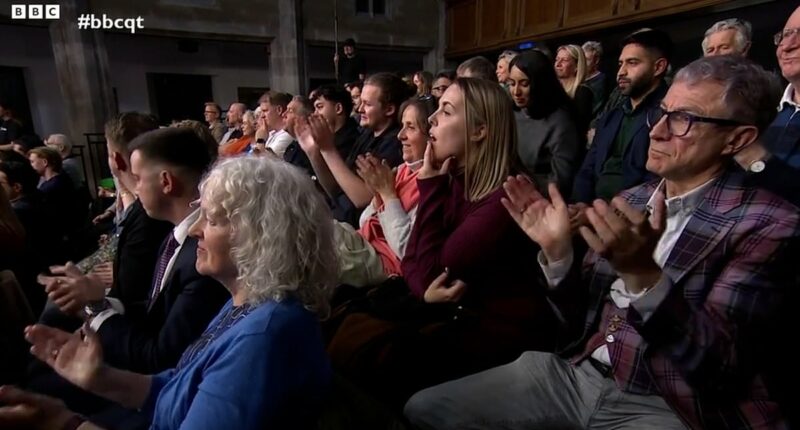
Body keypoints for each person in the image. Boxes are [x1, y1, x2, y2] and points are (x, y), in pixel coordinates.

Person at [405, 55, 797, 430]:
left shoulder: (770, 224)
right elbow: (577, 323)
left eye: (684, 120)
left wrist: (644, 279)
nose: (656, 130)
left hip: (668, 403)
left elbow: (720, 369)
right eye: (662, 112)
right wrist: (558, 254)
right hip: (577, 376)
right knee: (422, 409)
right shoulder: (632, 200)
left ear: (736, 139)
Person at [0, 156, 336, 430]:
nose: (194, 229)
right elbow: (178, 388)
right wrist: (100, 377)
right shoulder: (249, 302)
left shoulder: (265, 336)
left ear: (262, 236)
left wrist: (65, 424)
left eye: (213, 219)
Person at [334, 97, 435, 286]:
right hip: (362, 243)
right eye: (402, 125)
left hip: (383, 263)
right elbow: (364, 221)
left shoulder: (433, 182)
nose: (400, 135)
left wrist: (387, 194)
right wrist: (378, 194)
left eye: (411, 127)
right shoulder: (403, 169)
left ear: (432, 135)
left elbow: (406, 249)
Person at [507, 50, 584, 196]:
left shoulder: (562, 122)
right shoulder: (511, 113)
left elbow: (561, 182)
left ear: (540, 83)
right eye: (511, 83)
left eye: (524, 84)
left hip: (539, 199)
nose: (516, 91)